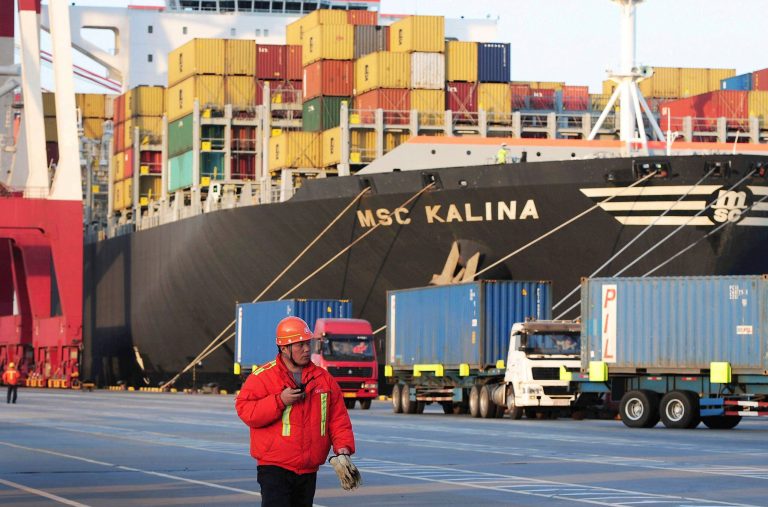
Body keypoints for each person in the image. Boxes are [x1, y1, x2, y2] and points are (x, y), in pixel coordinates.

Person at [235, 316, 360, 506]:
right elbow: (246, 411)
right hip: (274, 467)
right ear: (284, 348)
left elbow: (338, 419)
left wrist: (343, 449)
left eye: (308, 343)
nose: (307, 349)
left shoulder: (323, 380)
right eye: (300, 345)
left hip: (308, 470)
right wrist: (279, 400)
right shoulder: (262, 377)